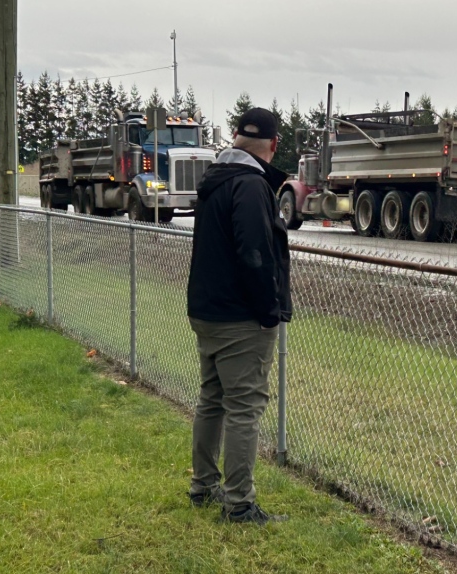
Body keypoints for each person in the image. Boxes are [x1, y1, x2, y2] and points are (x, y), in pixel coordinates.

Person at [186, 107, 292, 525]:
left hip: (208, 310)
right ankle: (239, 504)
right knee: (245, 406)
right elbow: (254, 254)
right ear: (274, 144)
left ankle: (203, 486)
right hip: (239, 317)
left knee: (212, 399)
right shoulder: (250, 185)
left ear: (234, 136)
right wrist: (269, 310)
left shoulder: (216, 179)